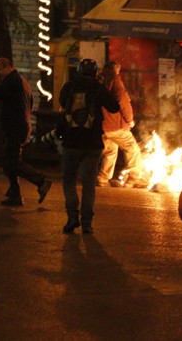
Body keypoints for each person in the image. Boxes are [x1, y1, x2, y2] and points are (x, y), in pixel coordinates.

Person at [58, 58, 120, 234]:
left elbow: (62, 103)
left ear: (78, 70)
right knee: (88, 183)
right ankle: (87, 223)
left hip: (71, 141)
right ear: (95, 72)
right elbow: (114, 107)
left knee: (69, 180)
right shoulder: (97, 87)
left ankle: (71, 217)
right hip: (93, 143)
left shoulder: (69, 86)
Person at [0, 57, 52, 207]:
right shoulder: (22, 81)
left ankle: (40, 182)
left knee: (10, 161)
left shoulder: (12, 81)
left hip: (15, 126)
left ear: (7, 67)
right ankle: (14, 193)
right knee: (10, 160)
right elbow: (29, 103)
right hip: (21, 124)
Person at [96, 61, 148, 188]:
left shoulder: (99, 81)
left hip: (102, 126)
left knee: (110, 151)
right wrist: (129, 119)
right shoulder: (115, 80)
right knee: (132, 148)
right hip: (116, 125)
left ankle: (102, 179)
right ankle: (134, 178)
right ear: (116, 69)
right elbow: (123, 101)